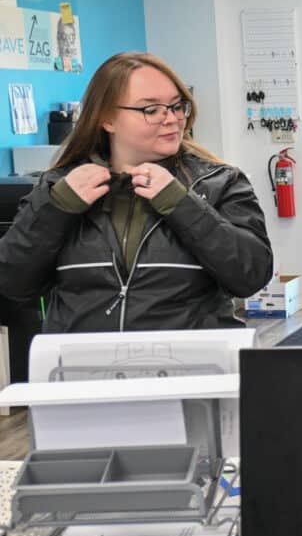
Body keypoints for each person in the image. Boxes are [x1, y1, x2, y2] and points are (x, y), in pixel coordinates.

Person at [0, 52, 273, 332]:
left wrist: (183, 205)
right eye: (151, 110)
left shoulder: (219, 182)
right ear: (107, 119)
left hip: (194, 367)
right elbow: (12, 284)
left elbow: (250, 275)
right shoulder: (57, 188)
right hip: (85, 369)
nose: (172, 119)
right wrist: (56, 209)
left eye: (177, 106)